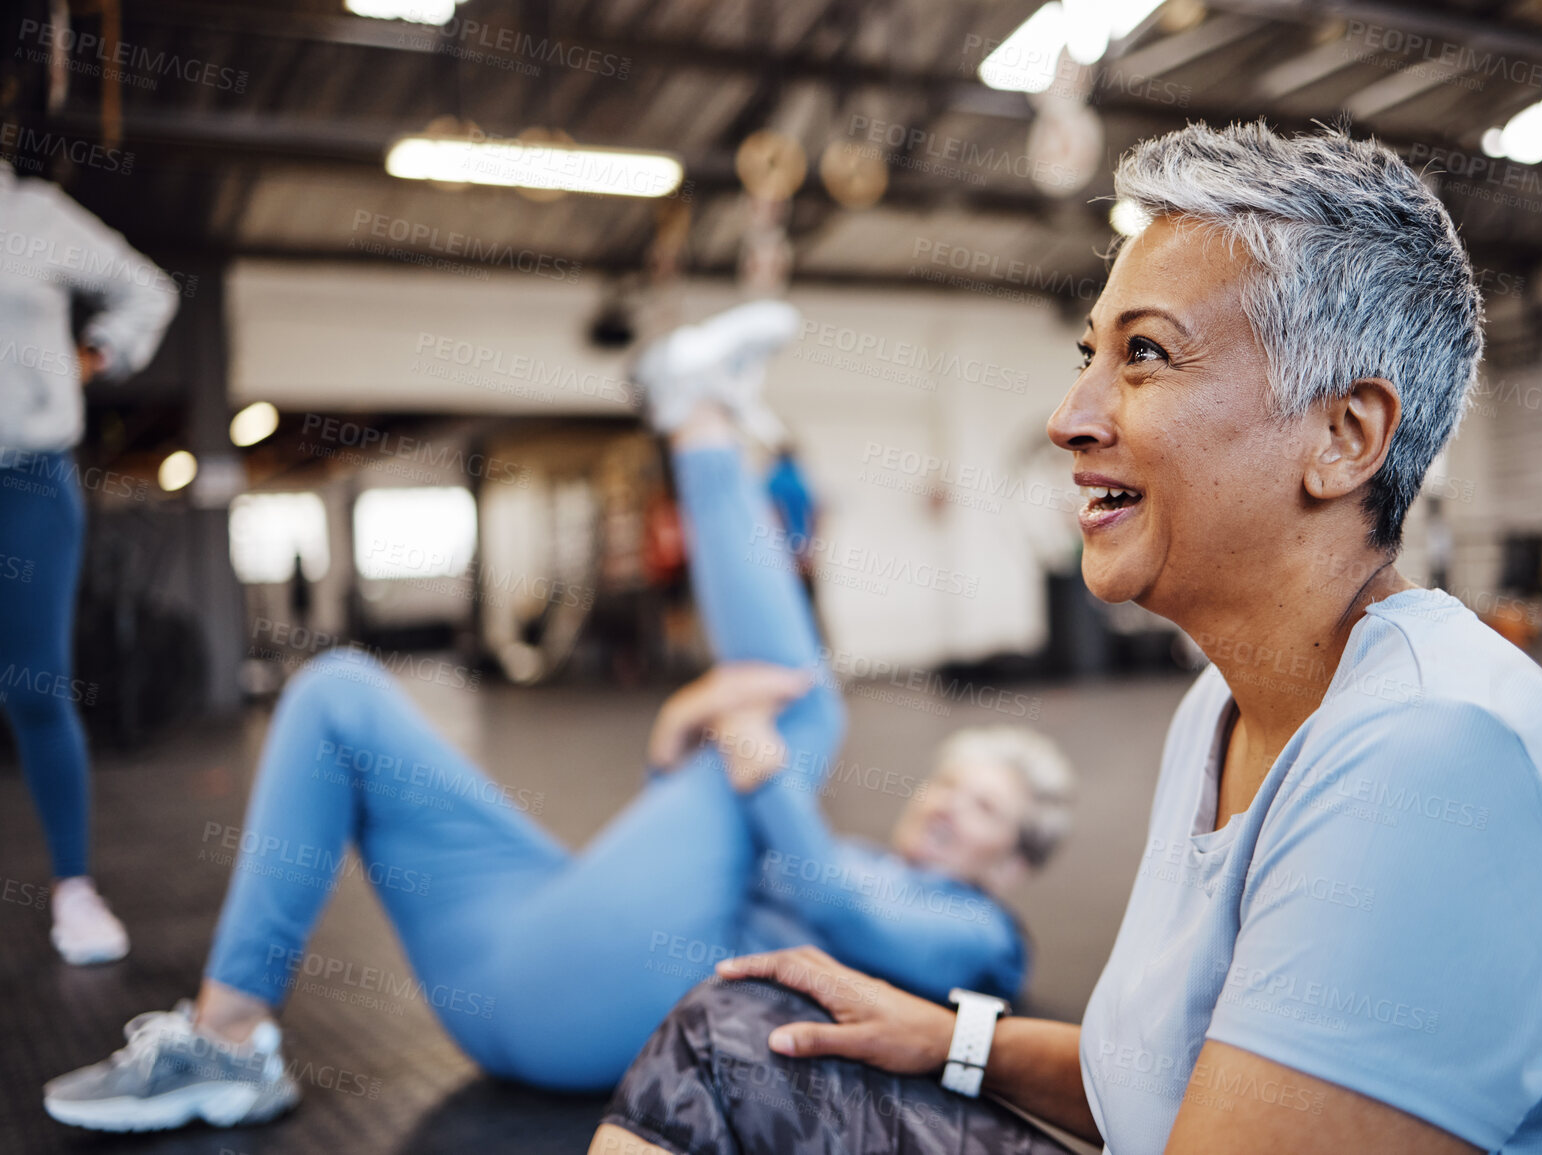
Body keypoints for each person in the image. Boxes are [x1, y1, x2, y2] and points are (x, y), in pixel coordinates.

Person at [589, 123, 1542, 1155]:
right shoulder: (1218, 710)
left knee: (727, 1064)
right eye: (1090, 353)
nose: (1071, 415)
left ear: (1345, 437)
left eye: (1147, 355)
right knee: (746, 1029)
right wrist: (953, 1039)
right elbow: (1183, 1081)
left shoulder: (1436, 756)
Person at [41, 300, 1076, 1133]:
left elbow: (849, 926)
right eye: (948, 782)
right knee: (339, 693)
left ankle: (698, 418)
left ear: (1018, 860)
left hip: (599, 1018)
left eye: (981, 806)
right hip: (527, 949)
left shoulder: (980, 940)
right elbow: (673, 875)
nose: (943, 806)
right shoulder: (863, 849)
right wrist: (681, 757)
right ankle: (227, 1034)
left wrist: (755, 771)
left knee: (799, 713)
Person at [0, 159, 179, 965]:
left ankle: (75, 890)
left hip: (29, 478)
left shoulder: (33, 214)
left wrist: (94, 355)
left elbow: (148, 288)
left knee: (33, 684)